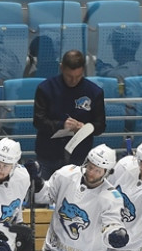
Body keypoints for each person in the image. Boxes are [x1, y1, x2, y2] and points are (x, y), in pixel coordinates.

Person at [33, 144, 128, 251]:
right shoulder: (66, 174)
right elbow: (45, 195)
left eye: (97, 170)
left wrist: (115, 233)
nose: (91, 173)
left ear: (106, 172)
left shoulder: (111, 197)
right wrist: (38, 183)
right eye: (90, 167)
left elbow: (111, 223)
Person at [32, 50, 106, 178]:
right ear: (61, 68)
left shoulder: (94, 92)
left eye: (78, 76)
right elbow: (38, 121)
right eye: (69, 76)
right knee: (43, 194)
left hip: (79, 155)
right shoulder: (45, 88)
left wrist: (85, 128)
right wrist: (61, 125)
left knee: (75, 196)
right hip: (48, 154)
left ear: (83, 70)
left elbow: (100, 125)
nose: (73, 80)